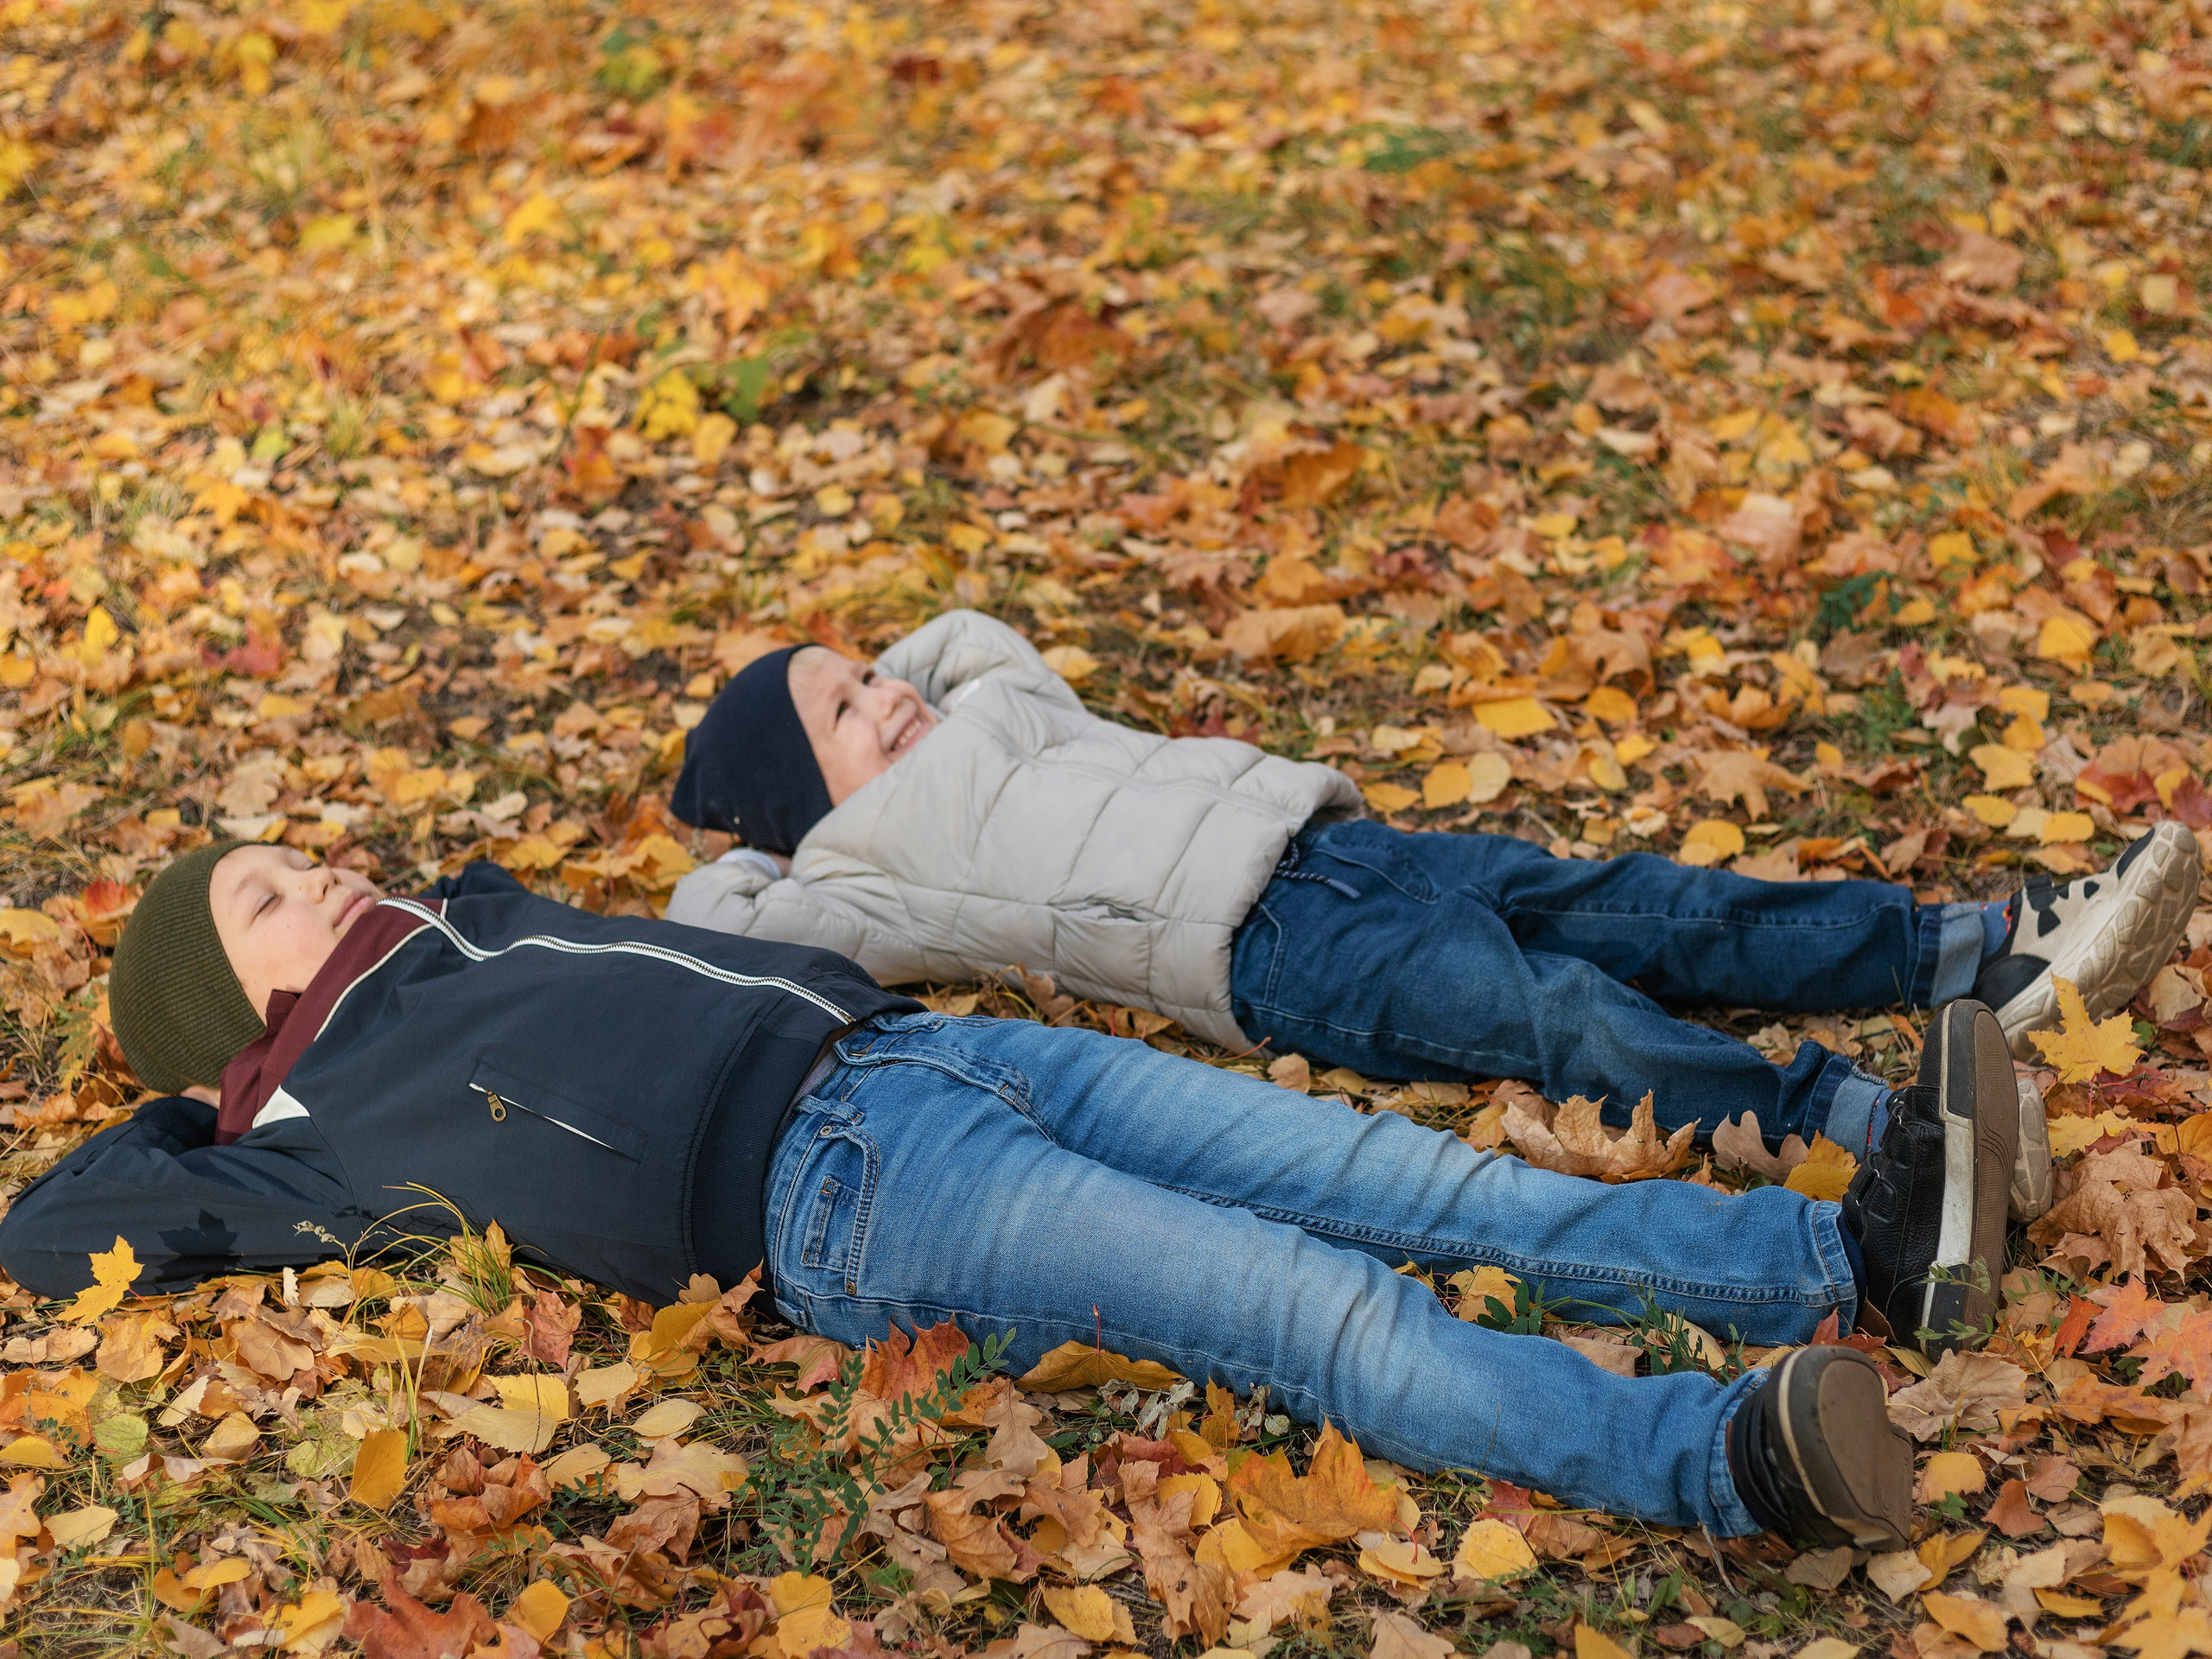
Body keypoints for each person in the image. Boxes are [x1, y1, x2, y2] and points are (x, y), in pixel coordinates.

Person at [2, 841, 2027, 1549]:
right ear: (222, 1012)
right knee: (1311, 1307)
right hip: (845, 1203)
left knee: (1393, 1171)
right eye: (266, 895)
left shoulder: (472, 932)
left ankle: (1836, 1255)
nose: (323, 873)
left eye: (296, 853)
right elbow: (60, 1235)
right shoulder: (306, 1135)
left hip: (935, 1054)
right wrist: (194, 1109)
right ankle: (1711, 1465)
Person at [665, 609, 2201, 1204]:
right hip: (1273, 950)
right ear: (809, 799)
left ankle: (1972, 953)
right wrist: (760, 809)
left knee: (1637, 905)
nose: (890, 694)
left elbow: (974, 639)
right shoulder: (852, 879)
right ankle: (1869, 1130)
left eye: (870, 667)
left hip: (1336, 839)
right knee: (1563, 1019)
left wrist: (888, 680)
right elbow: (717, 915)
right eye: (848, 711)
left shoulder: (1000, 712)